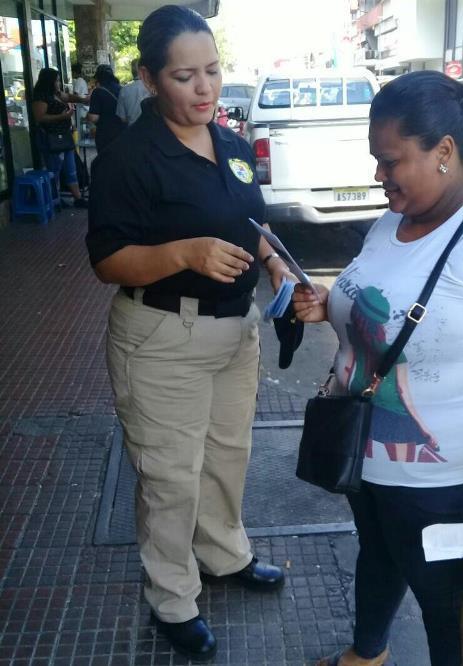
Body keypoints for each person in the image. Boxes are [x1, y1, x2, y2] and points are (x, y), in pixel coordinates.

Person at [293, 71, 463, 666]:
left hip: (443, 487)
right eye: (376, 159)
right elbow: (381, 311)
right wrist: (328, 303)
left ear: (444, 151)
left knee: (449, 618)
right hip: (364, 458)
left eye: (390, 161)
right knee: (377, 557)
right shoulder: (390, 224)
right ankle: (367, 654)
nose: (378, 175)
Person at [86, 5, 292, 662]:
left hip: (236, 332)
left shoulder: (231, 144)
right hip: (161, 337)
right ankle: (172, 595)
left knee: (227, 455)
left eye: (212, 70)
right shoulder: (128, 158)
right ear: (149, 78)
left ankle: (224, 553)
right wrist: (185, 253)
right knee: (170, 475)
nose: (204, 88)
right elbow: (107, 260)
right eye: (184, 76)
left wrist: (274, 263)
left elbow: (252, 223)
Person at [32, 67, 88, 208]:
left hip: (65, 137)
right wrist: (62, 116)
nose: (58, 83)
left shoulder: (56, 93)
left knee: (71, 169)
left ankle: (78, 198)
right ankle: (54, 200)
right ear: (49, 81)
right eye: (56, 80)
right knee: (54, 171)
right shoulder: (41, 96)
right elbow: (40, 117)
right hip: (51, 139)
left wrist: (83, 99)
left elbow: (68, 97)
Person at [86, 64, 124, 152]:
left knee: (105, 159)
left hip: (105, 135)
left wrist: (87, 116)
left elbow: (93, 118)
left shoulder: (98, 91)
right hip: (122, 133)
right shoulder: (122, 89)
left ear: (98, 78)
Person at [116, 58, 151, 125]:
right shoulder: (154, 87)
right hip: (153, 128)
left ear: (132, 71)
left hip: (132, 128)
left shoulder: (124, 90)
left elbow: (123, 119)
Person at [71, 63, 90, 133]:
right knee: (82, 128)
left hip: (80, 108)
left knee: (79, 127)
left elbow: (75, 95)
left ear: (74, 72)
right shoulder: (82, 81)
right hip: (83, 108)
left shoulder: (78, 81)